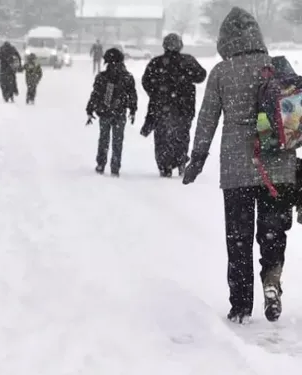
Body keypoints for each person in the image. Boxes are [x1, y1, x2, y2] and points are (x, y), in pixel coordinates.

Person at [182, 7, 296, 324]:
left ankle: (241, 305)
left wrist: (197, 159)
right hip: (279, 168)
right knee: (273, 233)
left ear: (225, 39)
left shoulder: (222, 72)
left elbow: (207, 121)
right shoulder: (276, 67)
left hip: (237, 170)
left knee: (239, 239)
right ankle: (271, 281)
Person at [141, 33, 207, 177]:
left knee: (162, 138)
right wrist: (186, 76)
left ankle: (165, 166)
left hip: (161, 107)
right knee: (181, 136)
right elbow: (201, 75)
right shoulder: (187, 61)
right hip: (184, 107)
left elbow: (146, 81)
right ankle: (180, 160)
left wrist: (156, 93)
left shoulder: (156, 63)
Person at [85, 48, 137, 177]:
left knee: (104, 139)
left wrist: (90, 109)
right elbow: (132, 95)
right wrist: (132, 109)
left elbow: (95, 94)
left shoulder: (102, 77)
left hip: (105, 112)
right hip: (119, 112)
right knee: (117, 140)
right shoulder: (127, 77)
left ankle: (101, 163)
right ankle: (115, 166)